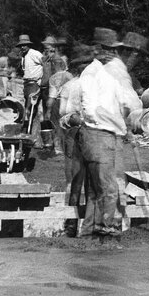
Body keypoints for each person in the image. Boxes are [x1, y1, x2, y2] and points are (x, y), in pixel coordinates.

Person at [72, 27, 141, 236]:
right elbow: (92, 111)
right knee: (108, 189)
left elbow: (122, 103)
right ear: (97, 49)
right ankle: (106, 229)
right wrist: (118, 124)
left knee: (95, 190)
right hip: (96, 135)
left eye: (114, 50)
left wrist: (126, 128)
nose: (112, 54)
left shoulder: (109, 74)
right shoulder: (91, 73)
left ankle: (89, 231)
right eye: (108, 49)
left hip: (106, 136)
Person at [58, 44, 95, 236]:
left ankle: (89, 225)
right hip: (76, 135)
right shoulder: (71, 86)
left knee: (92, 182)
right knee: (75, 180)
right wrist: (75, 120)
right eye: (84, 65)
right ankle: (71, 224)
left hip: (94, 137)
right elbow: (64, 115)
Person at [16, 34, 44, 132]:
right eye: (21, 45)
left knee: (29, 109)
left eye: (24, 45)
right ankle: (32, 133)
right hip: (27, 84)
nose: (22, 47)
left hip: (34, 83)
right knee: (29, 109)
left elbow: (45, 63)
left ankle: (26, 132)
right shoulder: (23, 55)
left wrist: (42, 79)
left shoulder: (34, 54)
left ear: (28, 45)